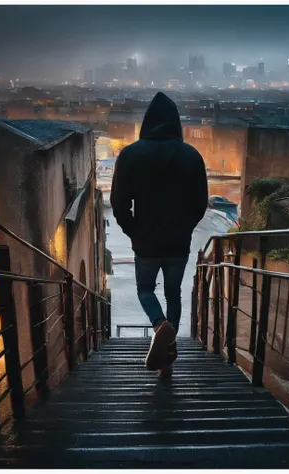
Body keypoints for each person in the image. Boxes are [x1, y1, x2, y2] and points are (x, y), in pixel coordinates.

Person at [110, 92, 208, 377]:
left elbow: (118, 204)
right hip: (178, 242)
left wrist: (133, 231)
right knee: (174, 294)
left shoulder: (130, 154)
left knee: (144, 290)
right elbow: (200, 203)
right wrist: (185, 227)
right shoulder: (192, 155)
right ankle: (168, 354)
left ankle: (158, 324)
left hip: (146, 241)